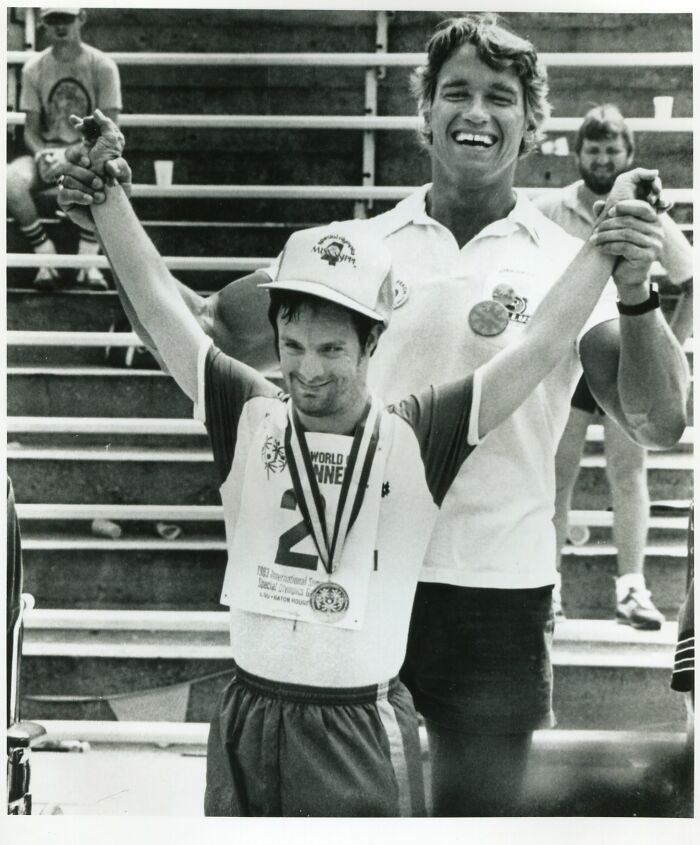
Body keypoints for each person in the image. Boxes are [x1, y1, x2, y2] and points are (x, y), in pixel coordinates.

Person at [57, 14, 689, 816]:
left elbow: (661, 421)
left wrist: (635, 293)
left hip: (492, 585)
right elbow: (200, 330)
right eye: (455, 91)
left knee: (476, 824)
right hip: (343, 575)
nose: (476, 112)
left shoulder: (568, 264)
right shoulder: (353, 247)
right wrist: (110, 222)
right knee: (341, 821)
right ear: (422, 111)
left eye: (501, 97)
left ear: (533, 126)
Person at [534, 104, 694, 628]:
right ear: (577, 154)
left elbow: (690, 279)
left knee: (629, 471)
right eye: (594, 149)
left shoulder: (648, 211)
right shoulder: (550, 208)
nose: (603, 159)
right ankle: (548, 587)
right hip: (570, 357)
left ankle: (631, 589)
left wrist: (670, 343)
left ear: (629, 156)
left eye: (613, 151)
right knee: (557, 473)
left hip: (625, 357)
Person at [6, 7, 122, 291]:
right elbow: (31, 131)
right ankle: (46, 257)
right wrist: (41, 154)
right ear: (44, 24)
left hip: (87, 149)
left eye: (66, 19)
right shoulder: (34, 68)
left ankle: (87, 262)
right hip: (46, 152)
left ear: (81, 19)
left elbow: (109, 131)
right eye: (52, 20)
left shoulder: (102, 65)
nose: (60, 26)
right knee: (8, 179)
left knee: (104, 166)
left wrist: (69, 154)